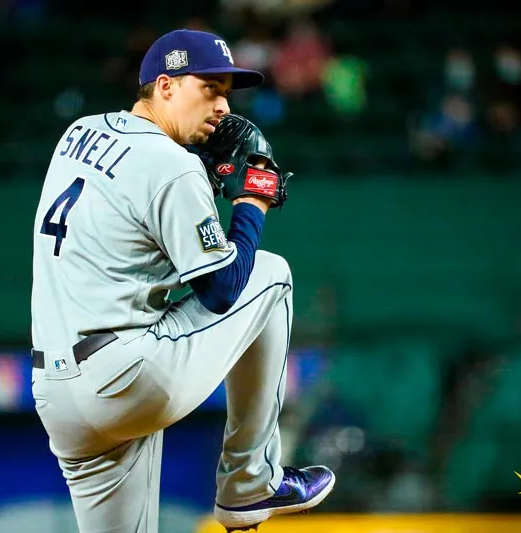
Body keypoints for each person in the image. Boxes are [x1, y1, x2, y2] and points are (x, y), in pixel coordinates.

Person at [30, 28, 335, 533]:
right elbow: (221, 290)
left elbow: (128, 238)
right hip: (123, 379)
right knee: (272, 275)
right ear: (165, 86)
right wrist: (252, 197)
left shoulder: (79, 132)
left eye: (226, 93)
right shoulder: (172, 167)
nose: (222, 107)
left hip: (57, 394)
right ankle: (249, 482)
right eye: (209, 88)